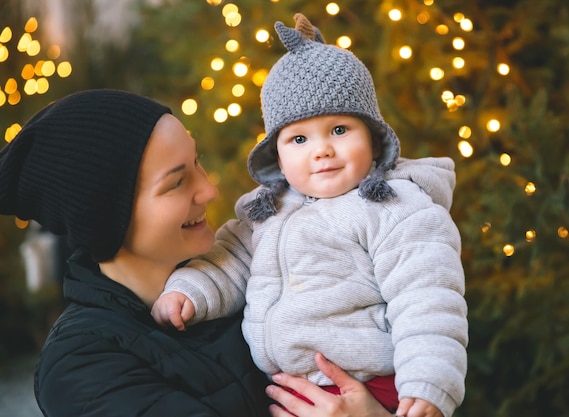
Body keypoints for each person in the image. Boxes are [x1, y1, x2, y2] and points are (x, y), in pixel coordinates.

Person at [152, 13, 468, 417]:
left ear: (373, 139)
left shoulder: (394, 207)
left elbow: (428, 298)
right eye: (299, 139)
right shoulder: (266, 212)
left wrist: (428, 384)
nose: (321, 150)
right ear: (278, 159)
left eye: (339, 130)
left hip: (377, 386)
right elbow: (227, 262)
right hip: (293, 389)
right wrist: (188, 291)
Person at [0, 89, 273, 416]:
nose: (208, 190)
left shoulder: (249, 267)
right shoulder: (82, 366)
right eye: (176, 183)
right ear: (104, 219)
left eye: (196, 162)